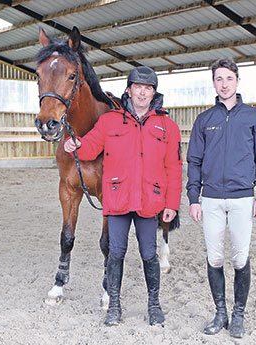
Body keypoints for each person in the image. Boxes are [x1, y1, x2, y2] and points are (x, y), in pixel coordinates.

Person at [63, 66, 182, 327]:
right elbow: (91, 146)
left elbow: (173, 168)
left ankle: (154, 305)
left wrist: (172, 204)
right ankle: (114, 306)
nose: (142, 92)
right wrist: (76, 145)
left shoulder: (167, 126)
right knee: (116, 253)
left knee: (149, 254)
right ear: (128, 90)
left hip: (150, 201)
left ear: (154, 93)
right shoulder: (110, 121)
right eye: (137, 87)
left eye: (147, 88)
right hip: (117, 198)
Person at [186, 57, 256, 338]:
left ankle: (238, 315)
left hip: (242, 198)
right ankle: (220, 312)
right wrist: (194, 198)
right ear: (214, 83)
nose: (224, 84)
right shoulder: (204, 120)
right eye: (219, 79)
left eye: (228, 79)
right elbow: (194, 161)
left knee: (240, 258)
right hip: (210, 199)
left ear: (237, 81)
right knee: (214, 258)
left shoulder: (253, 117)